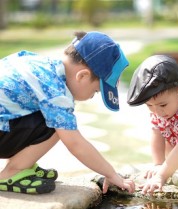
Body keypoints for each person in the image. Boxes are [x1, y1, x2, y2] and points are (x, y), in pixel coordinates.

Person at [0, 31, 135, 195]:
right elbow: (75, 144)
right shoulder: (56, 91)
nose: (92, 97)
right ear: (83, 76)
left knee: (50, 116)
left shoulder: (40, 64)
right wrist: (111, 174)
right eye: (96, 91)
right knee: (61, 126)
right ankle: (12, 172)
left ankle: (22, 163)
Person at [127, 54, 178, 195]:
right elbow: (157, 134)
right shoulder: (159, 108)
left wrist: (161, 176)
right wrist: (158, 164)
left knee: (177, 149)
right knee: (169, 143)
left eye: (163, 105)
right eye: (149, 106)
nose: (157, 111)